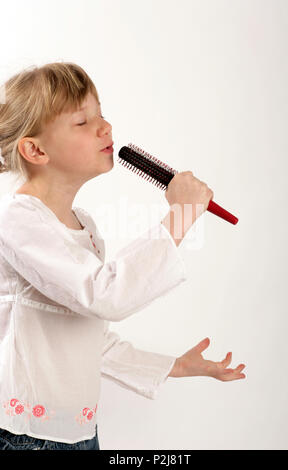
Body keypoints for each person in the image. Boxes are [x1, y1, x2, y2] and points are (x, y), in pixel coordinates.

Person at [0, 62, 246, 451]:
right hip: (28, 436)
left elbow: (89, 338)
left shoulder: (85, 226)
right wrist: (180, 215)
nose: (105, 128)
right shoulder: (18, 220)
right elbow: (106, 294)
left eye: (102, 114)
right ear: (34, 149)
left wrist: (174, 366)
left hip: (79, 433)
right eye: (82, 122)